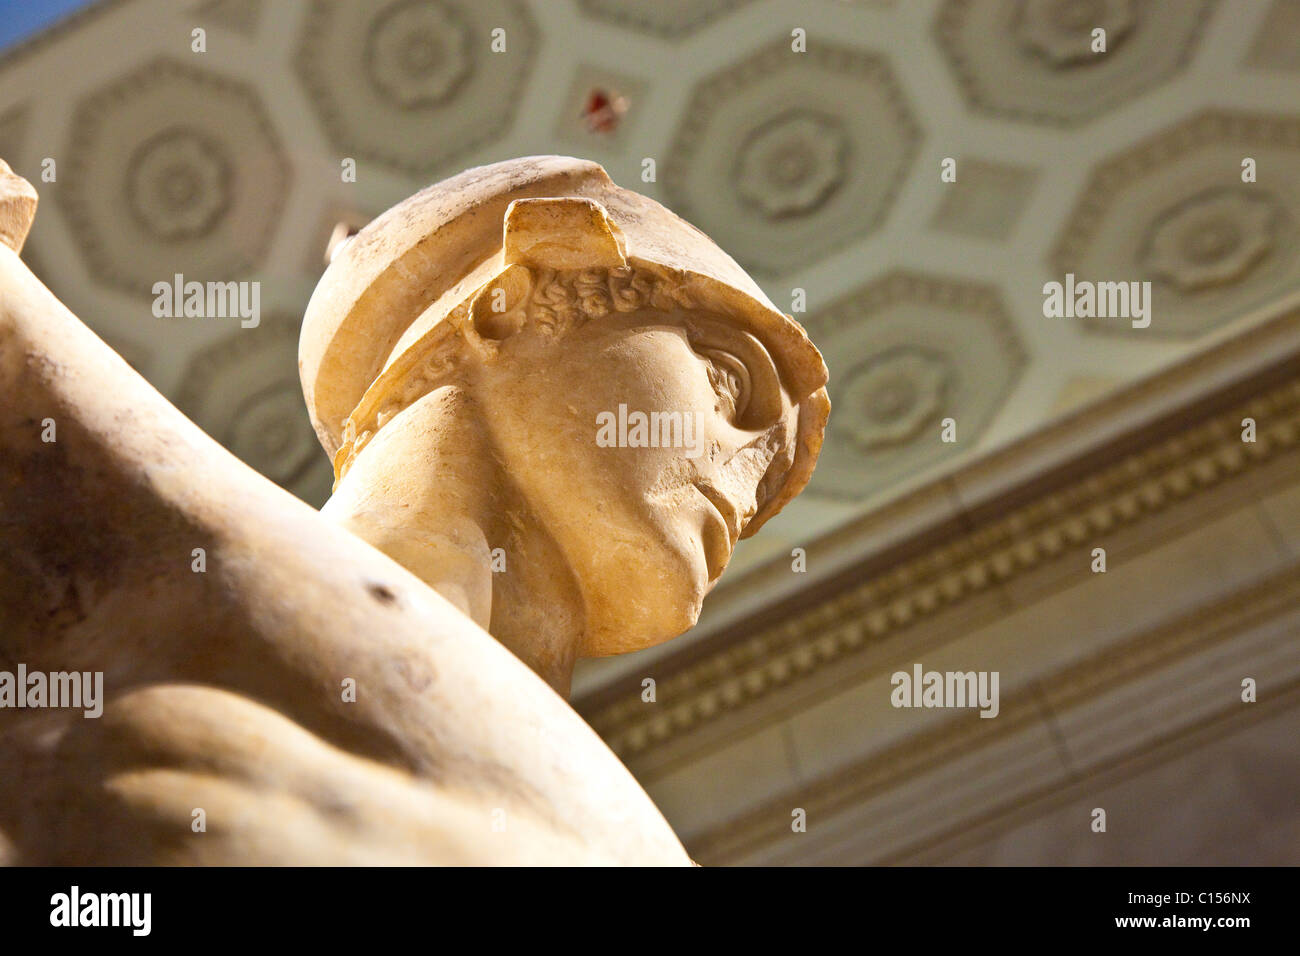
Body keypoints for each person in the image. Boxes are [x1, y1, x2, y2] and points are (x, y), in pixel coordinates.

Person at [0, 156, 828, 864]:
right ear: (507, 303)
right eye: (728, 382)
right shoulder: (147, 565)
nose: (749, 472)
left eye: (772, 480)